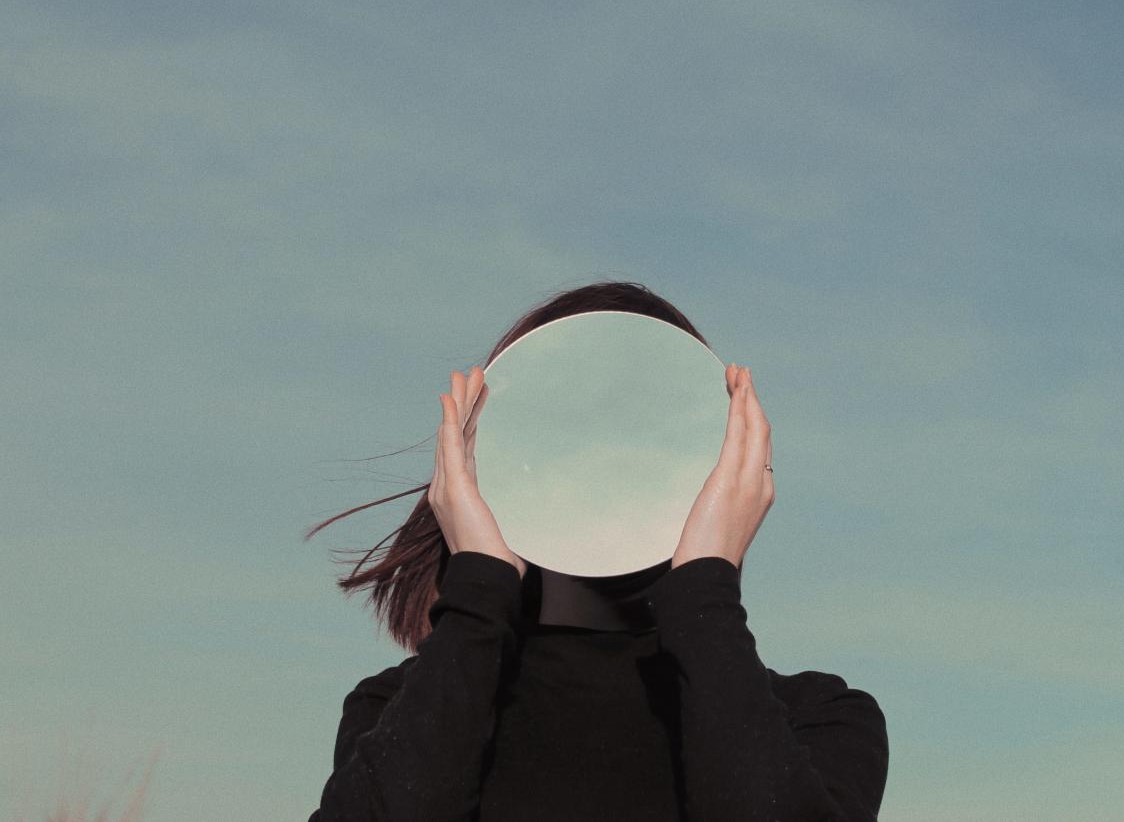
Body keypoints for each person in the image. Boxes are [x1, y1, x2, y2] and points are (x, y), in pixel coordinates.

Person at [306, 281, 888, 821]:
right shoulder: (398, 710)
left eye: (649, 433)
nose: (607, 467)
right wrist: (479, 585)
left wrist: (707, 581)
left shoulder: (819, 717)